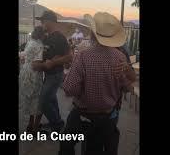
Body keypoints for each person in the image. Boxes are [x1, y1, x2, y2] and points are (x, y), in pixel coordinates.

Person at [59, 12, 135, 155]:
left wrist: (68, 77)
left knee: (66, 143)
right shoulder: (120, 57)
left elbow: (69, 89)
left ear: (93, 34)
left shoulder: (83, 56)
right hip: (108, 116)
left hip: (83, 114)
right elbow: (127, 87)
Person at [32, 10, 72, 133]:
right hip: (49, 75)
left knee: (43, 102)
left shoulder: (59, 37)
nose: (42, 23)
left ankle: (57, 125)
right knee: (51, 99)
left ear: (50, 21)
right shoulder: (47, 37)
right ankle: (57, 122)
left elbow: (69, 56)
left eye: (43, 21)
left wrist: (54, 62)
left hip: (55, 75)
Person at [19, 26, 46, 134]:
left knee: (29, 99)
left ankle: (30, 125)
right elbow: (36, 65)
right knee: (37, 100)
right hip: (33, 75)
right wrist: (48, 64)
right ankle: (34, 128)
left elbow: (24, 57)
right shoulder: (39, 45)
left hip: (25, 72)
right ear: (42, 34)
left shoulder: (30, 42)